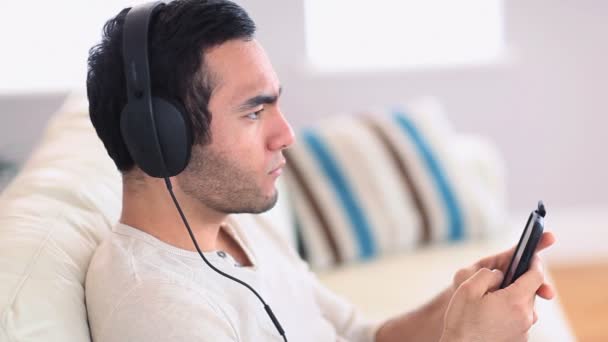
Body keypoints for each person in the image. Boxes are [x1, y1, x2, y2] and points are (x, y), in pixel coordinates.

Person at [85, 1, 556, 341]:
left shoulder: (240, 228)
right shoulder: (159, 312)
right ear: (162, 137)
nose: (286, 133)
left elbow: (360, 335)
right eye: (254, 112)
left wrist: (456, 307)